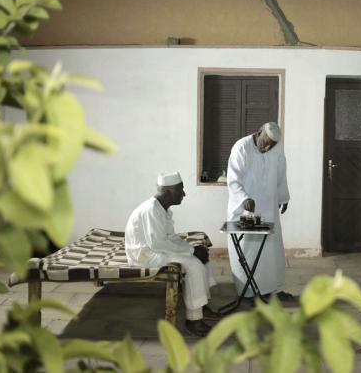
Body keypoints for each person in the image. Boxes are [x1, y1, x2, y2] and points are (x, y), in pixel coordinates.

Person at [124, 172, 219, 337]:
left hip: (154, 249)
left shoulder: (162, 208)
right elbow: (158, 243)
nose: (184, 194)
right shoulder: (151, 209)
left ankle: (201, 305)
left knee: (201, 255)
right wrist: (191, 251)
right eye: (180, 190)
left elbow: (171, 238)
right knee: (194, 264)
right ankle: (194, 320)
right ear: (168, 193)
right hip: (144, 255)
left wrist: (193, 248)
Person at [226, 122, 292, 302]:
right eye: (266, 141)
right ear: (259, 132)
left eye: (272, 144)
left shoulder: (277, 149)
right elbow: (233, 178)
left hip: (269, 206)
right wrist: (243, 198)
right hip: (245, 209)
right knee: (248, 250)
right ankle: (247, 293)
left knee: (272, 250)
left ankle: (274, 290)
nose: (268, 146)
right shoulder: (241, 147)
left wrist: (283, 198)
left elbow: (281, 175)